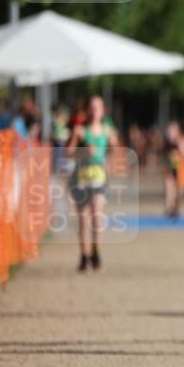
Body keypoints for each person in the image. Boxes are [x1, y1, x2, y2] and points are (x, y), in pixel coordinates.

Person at [64, 95, 120, 272]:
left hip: (99, 177)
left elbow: (117, 149)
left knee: (96, 212)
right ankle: (84, 255)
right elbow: (68, 152)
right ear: (87, 110)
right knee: (83, 217)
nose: (95, 110)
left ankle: (96, 250)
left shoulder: (108, 131)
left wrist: (109, 158)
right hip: (81, 177)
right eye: (92, 107)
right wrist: (83, 152)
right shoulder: (80, 130)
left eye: (98, 107)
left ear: (103, 111)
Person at [162, 120, 184, 219]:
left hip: (180, 167)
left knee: (178, 190)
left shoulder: (182, 139)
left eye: (173, 130)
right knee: (169, 186)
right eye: (169, 130)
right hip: (170, 166)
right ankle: (168, 207)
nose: (170, 132)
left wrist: (179, 152)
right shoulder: (167, 141)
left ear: (178, 130)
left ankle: (175, 208)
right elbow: (164, 154)